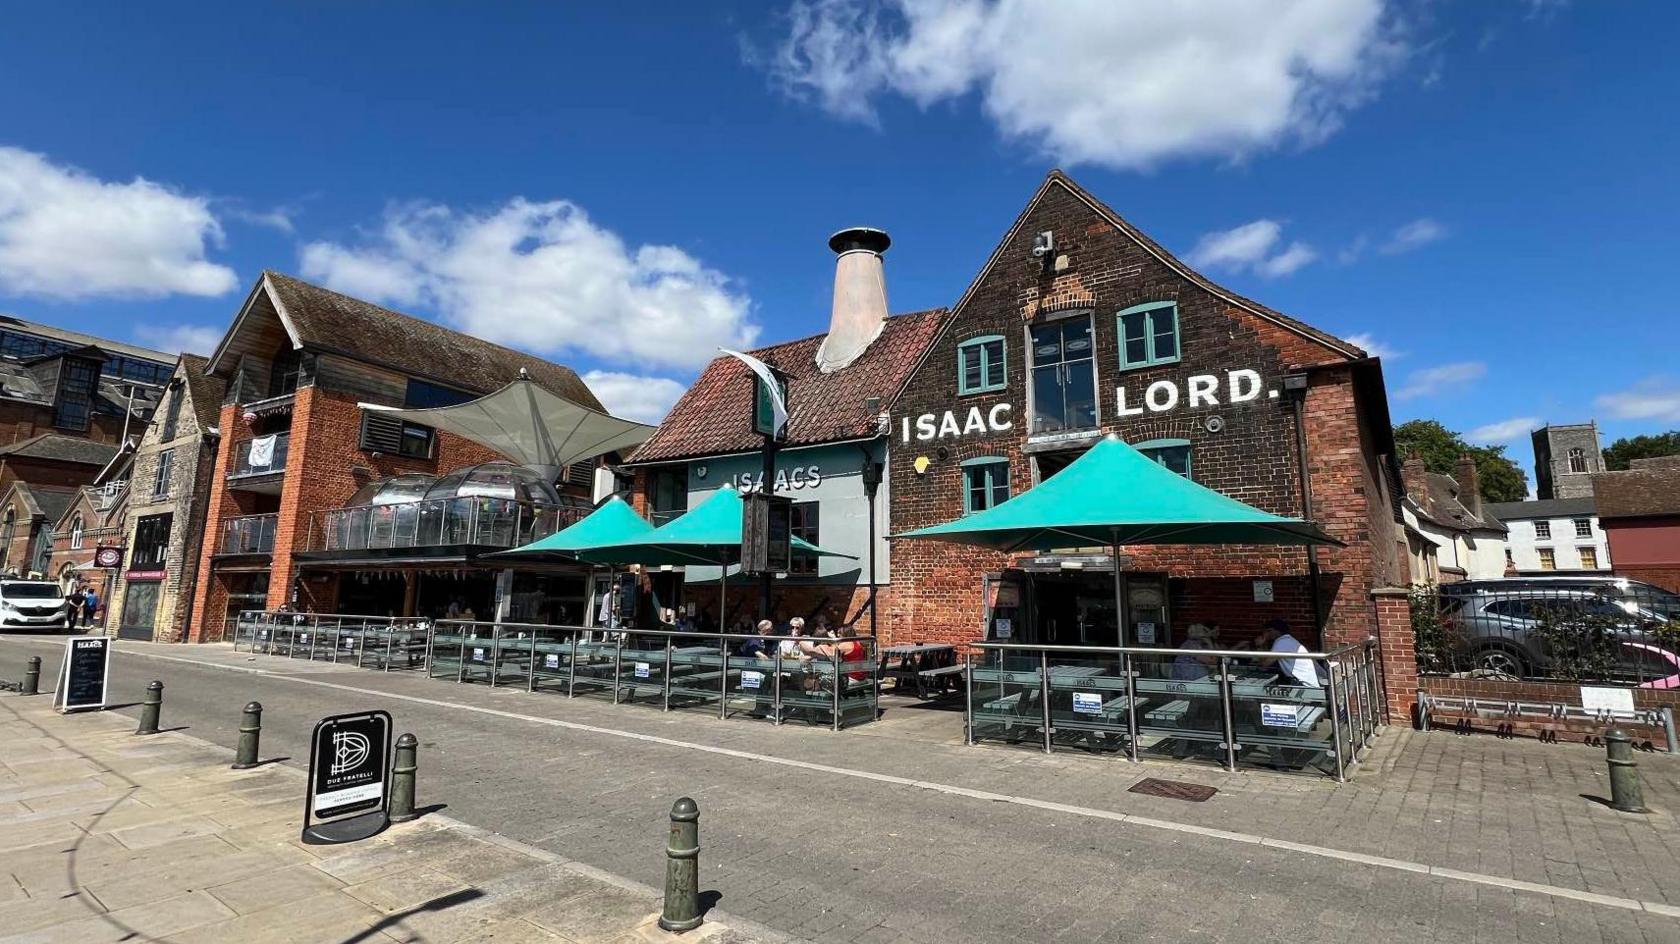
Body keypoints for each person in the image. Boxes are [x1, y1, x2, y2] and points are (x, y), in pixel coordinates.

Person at [1257, 619, 1321, 688]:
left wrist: (1260, 645)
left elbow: (1264, 665)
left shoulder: (1281, 642)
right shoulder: (1287, 640)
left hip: (1303, 684)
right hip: (1305, 681)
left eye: (1268, 631)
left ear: (1274, 630)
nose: (1266, 634)